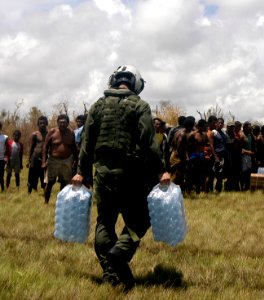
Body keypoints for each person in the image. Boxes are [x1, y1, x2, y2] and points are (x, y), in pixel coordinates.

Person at [72, 65, 170, 289]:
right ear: (135, 84)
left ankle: (109, 271)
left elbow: (87, 144)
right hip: (132, 175)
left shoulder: (97, 106)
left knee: (105, 222)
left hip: (103, 175)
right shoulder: (139, 105)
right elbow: (148, 142)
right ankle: (121, 252)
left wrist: (81, 172)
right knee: (140, 221)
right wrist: (160, 170)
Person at [42, 114, 79, 204]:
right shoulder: (52, 132)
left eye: (64, 122)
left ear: (67, 123)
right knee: (50, 182)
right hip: (53, 160)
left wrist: (76, 160)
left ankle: (61, 202)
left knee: (65, 182)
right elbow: (45, 147)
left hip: (67, 160)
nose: (62, 124)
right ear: (57, 122)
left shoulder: (71, 133)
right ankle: (46, 202)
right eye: (60, 122)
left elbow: (74, 148)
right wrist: (43, 162)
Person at [27, 116, 48, 194]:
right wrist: (29, 159)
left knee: (43, 176)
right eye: (40, 123)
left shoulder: (49, 134)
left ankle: (44, 191)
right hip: (35, 158)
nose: (42, 124)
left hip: (44, 159)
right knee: (32, 175)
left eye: (44, 123)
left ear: (46, 123)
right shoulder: (35, 134)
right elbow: (31, 147)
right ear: (38, 124)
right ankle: (29, 192)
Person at [0, 122, 10, 192]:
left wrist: (6, 158)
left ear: (0, 128)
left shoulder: (5, 137)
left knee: (1, 175)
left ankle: (2, 189)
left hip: (1, 159)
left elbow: (8, 149)